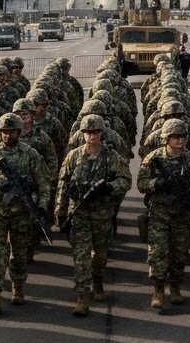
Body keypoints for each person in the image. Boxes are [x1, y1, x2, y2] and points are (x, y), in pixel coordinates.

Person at [0, 113, 52, 315]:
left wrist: (42, 207)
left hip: (21, 213)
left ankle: (18, 287)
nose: (7, 136)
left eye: (11, 132)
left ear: (18, 132)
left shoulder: (29, 154)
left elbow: (43, 182)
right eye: (4, 132)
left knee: (19, 253)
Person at [55, 114, 132, 316]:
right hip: (79, 214)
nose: (91, 136)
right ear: (83, 134)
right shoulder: (73, 156)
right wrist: (60, 211)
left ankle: (97, 279)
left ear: (101, 133)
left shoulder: (111, 156)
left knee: (100, 255)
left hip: (102, 215)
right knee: (81, 256)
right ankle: (82, 296)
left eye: (95, 132)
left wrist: (109, 188)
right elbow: (63, 183)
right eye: (88, 133)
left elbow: (125, 180)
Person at [136, 118, 190, 310]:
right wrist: (156, 184)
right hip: (159, 214)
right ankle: (158, 290)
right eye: (175, 137)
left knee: (179, 254)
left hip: (181, 216)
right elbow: (141, 185)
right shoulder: (153, 159)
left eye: (183, 137)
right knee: (158, 253)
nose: (180, 141)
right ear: (166, 138)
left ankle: (175, 288)